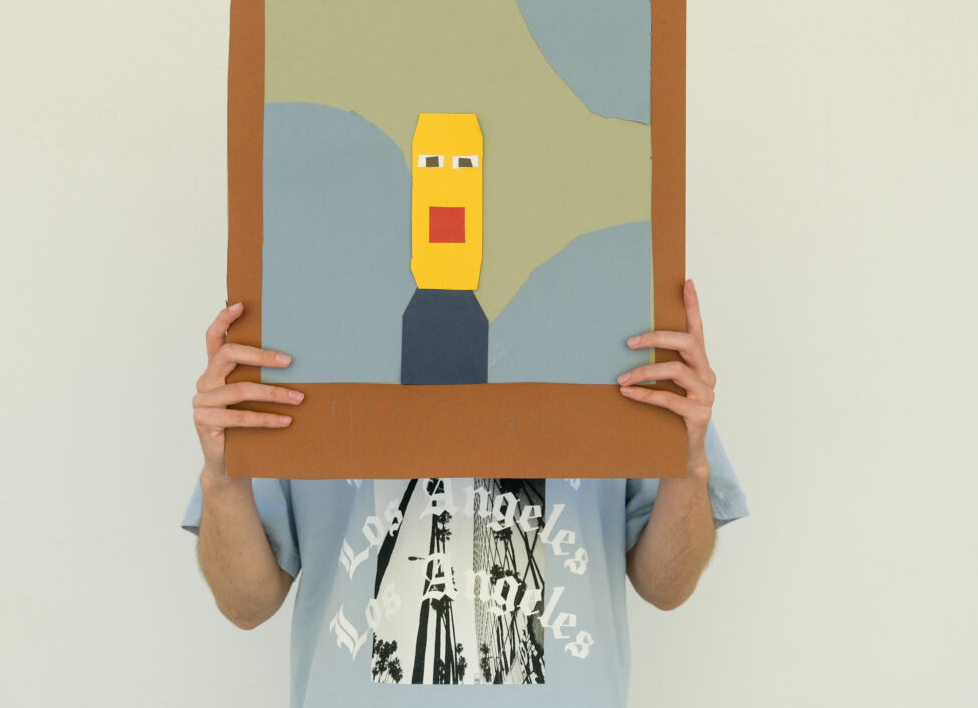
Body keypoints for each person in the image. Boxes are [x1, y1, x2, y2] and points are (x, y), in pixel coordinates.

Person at [182, 279, 748, 707]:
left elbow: (666, 587)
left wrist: (688, 462)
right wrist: (223, 478)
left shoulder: (617, 327)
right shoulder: (306, 330)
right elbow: (246, 605)